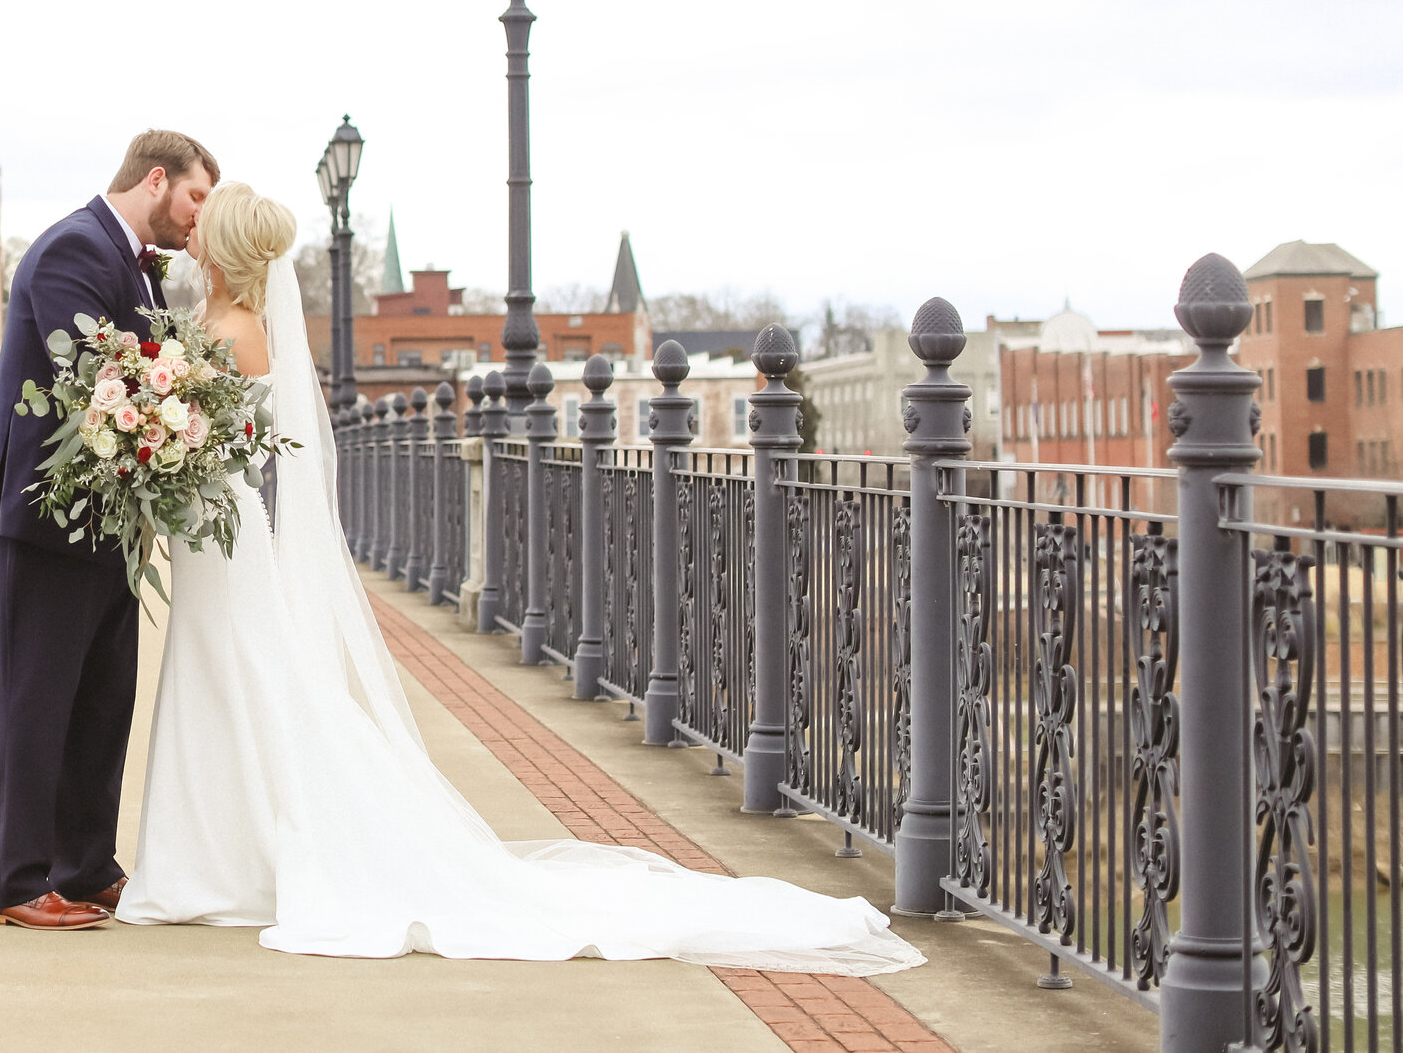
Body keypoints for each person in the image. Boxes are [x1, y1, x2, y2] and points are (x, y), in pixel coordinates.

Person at [117, 181, 924, 974]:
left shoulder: (235, 330)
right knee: (228, 676)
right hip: (212, 534)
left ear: (223, 248)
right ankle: (217, 850)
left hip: (223, 537)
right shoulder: (215, 320)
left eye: (205, 223)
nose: (193, 229)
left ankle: (218, 861)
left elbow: (228, 439)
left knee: (242, 673)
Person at [0, 129, 217, 930]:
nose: (198, 216)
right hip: (42, 514)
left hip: (106, 518)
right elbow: (96, 373)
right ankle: (13, 881)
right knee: (35, 700)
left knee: (103, 698)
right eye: (196, 196)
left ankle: (85, 865)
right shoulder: (72, 247)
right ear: (155, 178)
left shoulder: (135, 264)